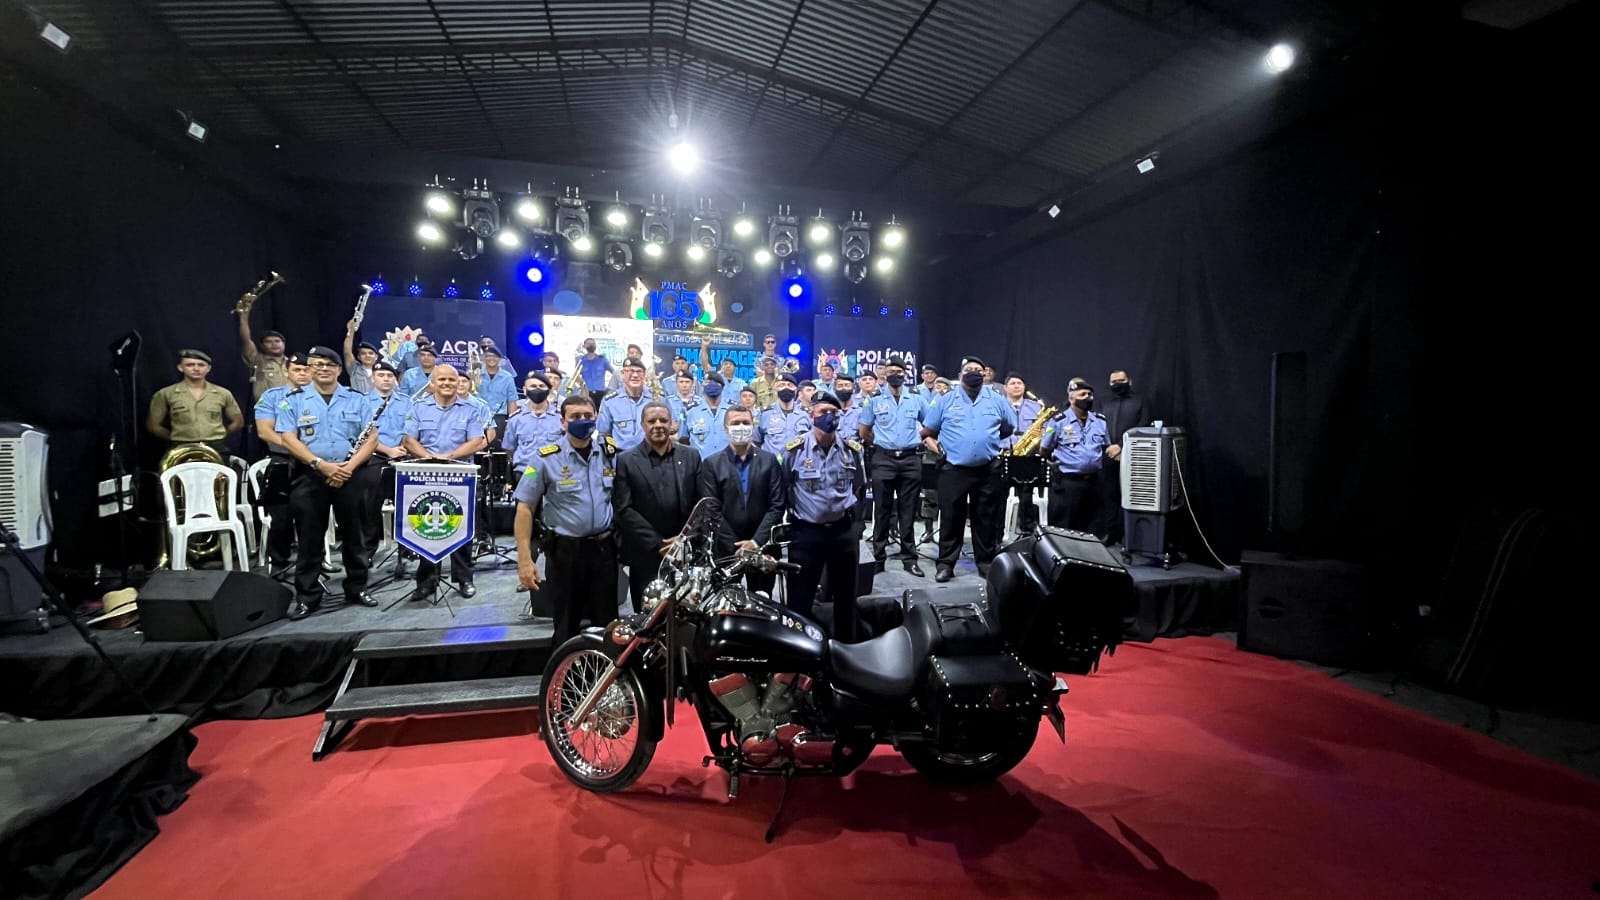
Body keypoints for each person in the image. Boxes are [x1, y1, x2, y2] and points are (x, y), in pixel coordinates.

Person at [275, 346, 379, 619]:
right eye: (317, 365)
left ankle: (357, 588)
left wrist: (349, 467)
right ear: (308, 369)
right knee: (309, 539)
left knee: (354, 536)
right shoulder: (293, 400)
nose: (323, 369)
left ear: (338, 369)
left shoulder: (356, 400)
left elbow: (371, 438)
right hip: (310, 475)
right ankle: (307, 597)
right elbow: (288, 438)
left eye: (329, 365)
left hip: (350, 474)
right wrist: (321, 465)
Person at [514, 394, 620, 643]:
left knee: (608, 626)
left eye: (587, 416)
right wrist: (524, 560)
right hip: (565, 553)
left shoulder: (609, 452)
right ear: (563, 422)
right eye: (575, 417)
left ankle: (607, 680)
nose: (582, 421)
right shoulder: (543, 458)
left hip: (603, 551)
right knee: (566, 625)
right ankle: (564, 678)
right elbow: (524, 508)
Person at [780, 392, 867, 640]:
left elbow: (859, 487)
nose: (828, 417)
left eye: (833, 413)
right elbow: (785, 487)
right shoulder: (794, 451)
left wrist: (855, 525)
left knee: (846, 597)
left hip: (842, 532)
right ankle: (801, 655)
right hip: (806, 533)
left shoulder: (852, 451)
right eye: (822, 412)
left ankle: (846, 652)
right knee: (800, 599)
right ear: (811, 415)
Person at [921, 356, 1014, 582]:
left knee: (985, 518)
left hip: (987, 470)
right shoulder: (945, 399)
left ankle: (985, 563)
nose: (974, 372)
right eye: (969, 369)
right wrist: (940, 450)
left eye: (978, 370)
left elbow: (1008, 428)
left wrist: (984, 443)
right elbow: (927, 434)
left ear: (984, 375)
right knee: (952, 518)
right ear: (960, 374)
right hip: (954, 469)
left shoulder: (997, 399)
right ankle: (945, 564)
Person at [400, 365, 487, 601]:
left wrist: (449, 457)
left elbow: (477, 441)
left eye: (451, 379)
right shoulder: (417, 408)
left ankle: (464, 578)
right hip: (426, 474)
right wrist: (430, 458)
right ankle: (427, 582)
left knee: (461, 528)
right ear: (433, 382)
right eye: (442, 379)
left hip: (460, 474)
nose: (447, 383)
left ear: (458, 382)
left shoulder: (471, 409)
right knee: (426, 529)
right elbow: (408, 439)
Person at [614, 402, 702, 612]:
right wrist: (659, 544)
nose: (658, 425)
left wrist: (683, 539)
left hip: (685, 551)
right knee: (647, 617)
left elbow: (701, 503)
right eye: (652, 421)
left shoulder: (691, 456)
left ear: (672, 424)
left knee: (686, 615)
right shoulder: (626, 460)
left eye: (663, 420)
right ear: (642, 425)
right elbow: (623, 509)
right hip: (646, 553)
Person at [698, 404, 785, 595]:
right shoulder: (712, 464)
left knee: (762, 603)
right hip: (727, 551)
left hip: (763, 547)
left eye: (745, 423)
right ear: (725, 427)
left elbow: (777, 505)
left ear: (752, 427)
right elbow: (711, 509)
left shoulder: (769, 460)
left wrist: (755, 542)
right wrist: (737, 546)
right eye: (735, 423)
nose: (741, 427)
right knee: (727, 604)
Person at [857, 356, 925, 577]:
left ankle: (909, 558)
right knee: (882, 510)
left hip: (910, 459)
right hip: (883, 458)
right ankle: (878, 557)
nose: (895, 374)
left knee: (908, 511)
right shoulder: (874, 398)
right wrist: (882, 443)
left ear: (906, 374)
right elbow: (864, 431)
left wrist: (914, 437)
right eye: (891, 370)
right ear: (884, 374)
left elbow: (930, 423)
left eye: (900, 370)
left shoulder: (916, 397)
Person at [253, 353, 310, 577]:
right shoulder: (272, 396)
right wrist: (296, 447)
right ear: (287, 371)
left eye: (307, 369)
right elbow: (264, 431)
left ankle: (314, 560)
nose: (303, 373)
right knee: (281, 518)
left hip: (314, 463)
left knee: (312, 517)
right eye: (297, 369)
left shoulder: (323, 397)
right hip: (283, 461)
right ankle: (279, 563)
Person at [356, 361, 408, 567]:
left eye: (389, 375)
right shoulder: (361, 402)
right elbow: (363, 434)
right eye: (381, 375)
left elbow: (411, 428)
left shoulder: (406, 402)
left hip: (403, 454)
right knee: (371, 505)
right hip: (374, 456)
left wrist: (401, 448)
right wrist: (388, 451)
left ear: (395, 379)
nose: (386, 379)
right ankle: (368, 549)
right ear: (373, 378)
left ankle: (407, 548)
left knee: (406, 504)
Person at [1040, 380, 1110, 533]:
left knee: (1092, 527)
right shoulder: (1056, 422)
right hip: (1068, 483)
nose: (1088, 398)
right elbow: (1044, 449)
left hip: (1094, 482)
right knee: (1066, 527)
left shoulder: (1100, 421)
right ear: (1071, 398)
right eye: (1082, 394)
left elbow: (1106, 446)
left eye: (1090, 395)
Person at [146, 349, 244, 455]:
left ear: (208, 368)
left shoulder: (223, 393)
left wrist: (220, 434)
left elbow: (238, 421)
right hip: (181, 447)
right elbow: (153, 425)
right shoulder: (166, 394)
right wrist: (175, 436)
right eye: (190, 365)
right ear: (180, 367)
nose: (196, 369)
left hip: (215, 447)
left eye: (201, 365)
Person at [1096, 369, 1150, 543]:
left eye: (1121, 380)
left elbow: (1143, 425)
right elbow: (1097, 425)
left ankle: (1132, 537)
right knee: (1109, 496)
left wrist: (1121, 446)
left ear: (1130, 381)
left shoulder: (1140, 401)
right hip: (1108, 455)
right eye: (1114, 381)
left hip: (1133, 456)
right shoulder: (1104, 401)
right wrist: (1109, 448)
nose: (1118, 384)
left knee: (1133, 496)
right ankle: (1110, 534)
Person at [1000, 373, 1044, 533]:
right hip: (1003, 454)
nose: (1016, 386)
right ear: (1005, 388)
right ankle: (998, 533)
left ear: (1024, 387)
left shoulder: (1035, 406)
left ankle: (1027, 530)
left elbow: (1043, 430)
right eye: (1012, 383)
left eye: (1019, 383)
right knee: (1000, 495)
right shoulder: (998, 405)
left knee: (1026, 495)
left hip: (1027, 456)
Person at [503, 373, 565, 469]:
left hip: (555, 472)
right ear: (524, 390)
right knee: (530, 479)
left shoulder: (561, 418)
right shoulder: (515, 419)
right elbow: (509, 449)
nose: (537, 389)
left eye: (541, 386)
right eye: (533, 386)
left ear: (549, 390)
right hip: (526, 472)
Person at [237, 296, 288, 402]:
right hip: (267, 410)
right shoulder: (257, 360)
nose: (274, 344)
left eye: (277, 341)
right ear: (262, 346)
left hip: (292, 410)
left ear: (284, 344)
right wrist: (244, 316)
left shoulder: (292, 363)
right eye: (268, 342)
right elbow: (246, 339)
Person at [597, 356, 653, 452]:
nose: (635, 375)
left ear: (645, 375)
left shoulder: (657, 398)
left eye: (639, 371)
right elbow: (603, 434)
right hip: (621, 456)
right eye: (630, 371)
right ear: (622, 374)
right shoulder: (609, 401)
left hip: (652, 456)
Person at [679, 373, 733, 456]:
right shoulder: (688, 410)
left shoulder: (733, 409)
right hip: (701, 465)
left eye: (715, 383)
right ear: (703, 386)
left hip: (727, 464)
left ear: (722, 386)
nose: (711, 385)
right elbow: (683, 439)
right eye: (708, 382)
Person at [757, 374, 810, 455]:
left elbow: (811, 439)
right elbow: (756, 440)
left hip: (797, 464)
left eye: (790, 385)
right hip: (771, 464)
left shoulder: (806, 414)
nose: (786, 388)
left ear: (796, 390)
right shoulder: (764, 414)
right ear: (775, 389)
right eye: (781, 385)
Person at [477, 347, 519, 417]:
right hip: (478, 414)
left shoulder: (508, 377)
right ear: (484, 358)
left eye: (494, 356)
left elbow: (512, 400)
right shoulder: (476, 375)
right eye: (488, 356)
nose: (491, 358)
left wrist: (512, 421)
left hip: (499, 416)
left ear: (499, 359)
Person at [342, 320, 380, 394]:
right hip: (357, 403)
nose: (367, 355)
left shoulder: (383, 372)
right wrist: (351, 331)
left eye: (371, 353)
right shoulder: (354, 369)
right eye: (363, 353)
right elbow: (347, 352)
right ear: (358, 357)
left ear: (376, 357)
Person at [578, 338, 617, 407]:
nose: (591, 345)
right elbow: (576, 376)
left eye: (593, 343)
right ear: (584, 346)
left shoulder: (602, 360)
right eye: (589, 343)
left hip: (601, 394)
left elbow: (615, 374)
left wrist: (610, 388)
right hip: (586, 394)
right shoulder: (580, 361)